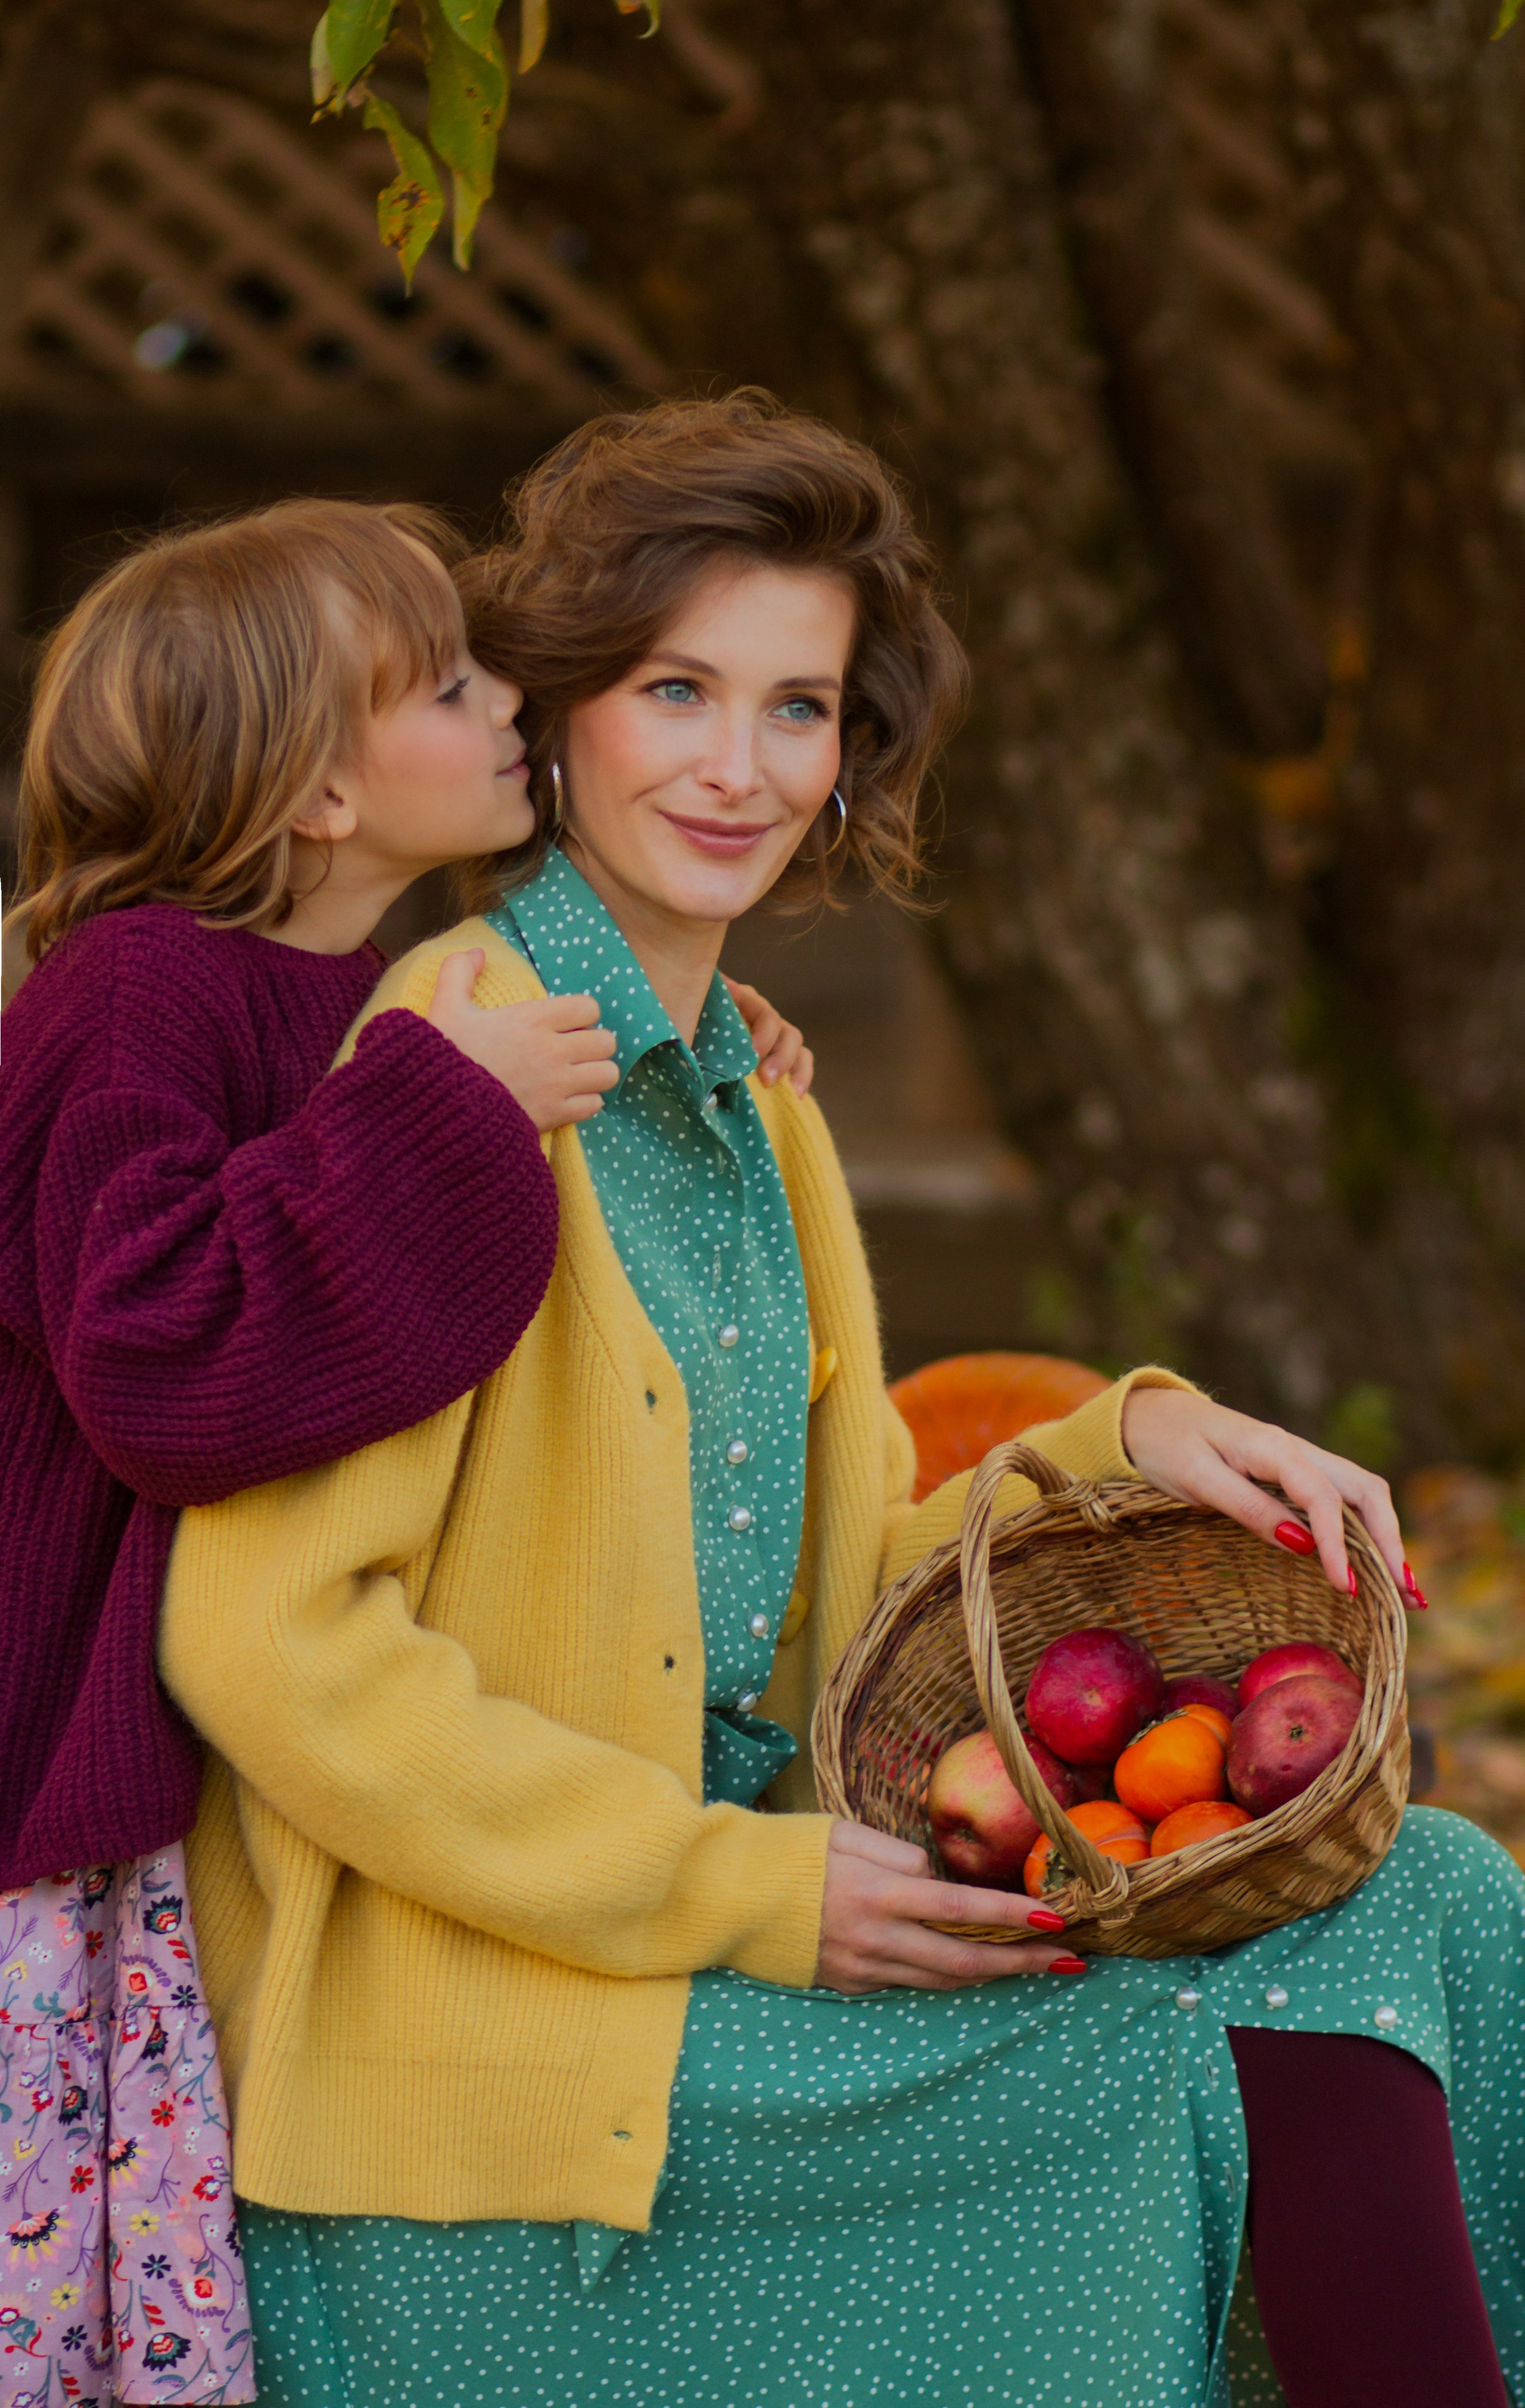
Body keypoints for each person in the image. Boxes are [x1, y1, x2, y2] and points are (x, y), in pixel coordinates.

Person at [161, 398, 1524, 2408]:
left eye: (798, 708)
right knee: (1171, 2047)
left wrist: (1125, 1439)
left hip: (730, 1941)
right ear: (555, 716)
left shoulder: (752, 1103)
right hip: (507, 2080)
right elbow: (271, 1644)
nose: (739, 764)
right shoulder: (461, 1069)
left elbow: (833, 1587)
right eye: (675, 690)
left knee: (1447, 1892)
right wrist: (751, 1885)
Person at [0, 492, 813, 2407]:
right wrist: (447, 1111)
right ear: (320, 797)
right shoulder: (134, 995)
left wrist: (693, 1027)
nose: (508, 700)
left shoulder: (359, 978)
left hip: (169, 1806)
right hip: (45, 1790)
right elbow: (157, 1353)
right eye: (450, 687)